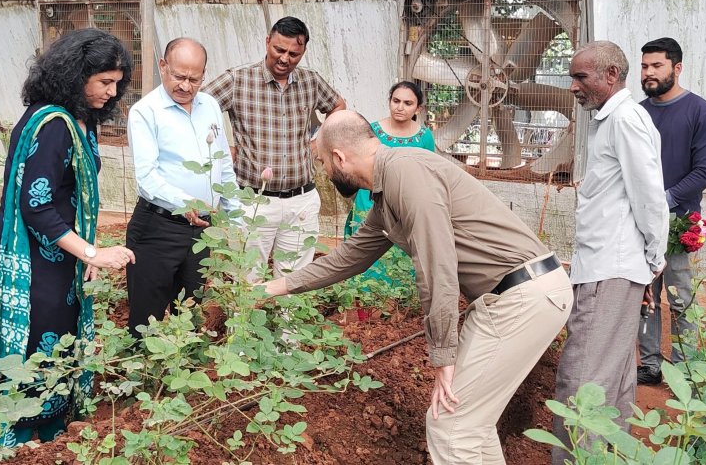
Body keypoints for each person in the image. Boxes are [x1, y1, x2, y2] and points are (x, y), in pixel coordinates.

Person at [263, 110, 572, 464]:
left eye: (322, 163)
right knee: (472, 425)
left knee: (451, 428)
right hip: (520, 295)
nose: (324, 173)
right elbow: (350, 257)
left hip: (522, 297)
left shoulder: (406, 174)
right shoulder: (390, 189)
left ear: (339, 157)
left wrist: (443, 355)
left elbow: (437, 266)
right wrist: (275, 288)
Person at [0, 28, 135, 446]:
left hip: (59, 252)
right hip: (32, 253)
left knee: (58, 336)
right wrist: (92, 253)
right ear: (75, 75)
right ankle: (15, 435)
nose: (113, 90)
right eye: (105, 81)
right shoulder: (53, 124)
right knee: (37, 336)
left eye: (118, 83)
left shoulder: (78, 121)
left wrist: (82, 254)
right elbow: (36, 206)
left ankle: (51, 433)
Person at [552, 41, 668, 463]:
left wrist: (654, 263)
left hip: (610, 270)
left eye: (580, 77)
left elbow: (650, 197)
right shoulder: (612, 120)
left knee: (582, 378)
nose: (572, 86)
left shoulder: (625, 119)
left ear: (610, 76)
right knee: (614, 379)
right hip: (611, 267)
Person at [204, 16, 345, 279]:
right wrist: (222, 149)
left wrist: (318, 145)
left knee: (295, 278)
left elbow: (338, 106)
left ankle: (288, 322)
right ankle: (243, 319)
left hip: (301, 200)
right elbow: (199, 108)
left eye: (294, 53)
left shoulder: (311, 82)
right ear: (267, 41)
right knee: (246, 276)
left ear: (303, 51)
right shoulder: (238, 80)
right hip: (253, 201)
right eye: (279, 49)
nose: (285, 58)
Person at [126, 38, 239, 339]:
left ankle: (183, 373)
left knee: (190, 308)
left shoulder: (211, 106)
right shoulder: (145, 112)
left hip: (203, 228)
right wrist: (182, 201)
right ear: (163, 67)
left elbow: (223, 165)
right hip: (158, 227)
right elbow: (147, 178)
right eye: (178, 76)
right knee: (146, 315)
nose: (186, 86)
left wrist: (238, 218)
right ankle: (144, 377)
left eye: (194, 79)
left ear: (204, 75)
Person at [636, 37, 706, 385]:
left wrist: (663, 198)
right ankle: (650, 365)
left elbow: (705, 169)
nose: (648, 73)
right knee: (643, 294)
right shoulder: (637, 113)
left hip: (679, 223)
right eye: (645, 66)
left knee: (679, 298)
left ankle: (684, 371)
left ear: (677, 68)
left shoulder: (700, 111)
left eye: (657, 66)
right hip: (637, 223)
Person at [344, 80, 434, 284]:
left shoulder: (424, 136)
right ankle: (364, 312)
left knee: (402, 255)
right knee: (364, 254)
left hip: (404, 206)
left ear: (418, 108)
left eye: (408, 103)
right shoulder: (371, 130)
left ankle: (396, 313)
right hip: (369, 200)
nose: (400, 107)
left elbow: (428, 174)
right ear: (389, 101)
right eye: (396, 100)